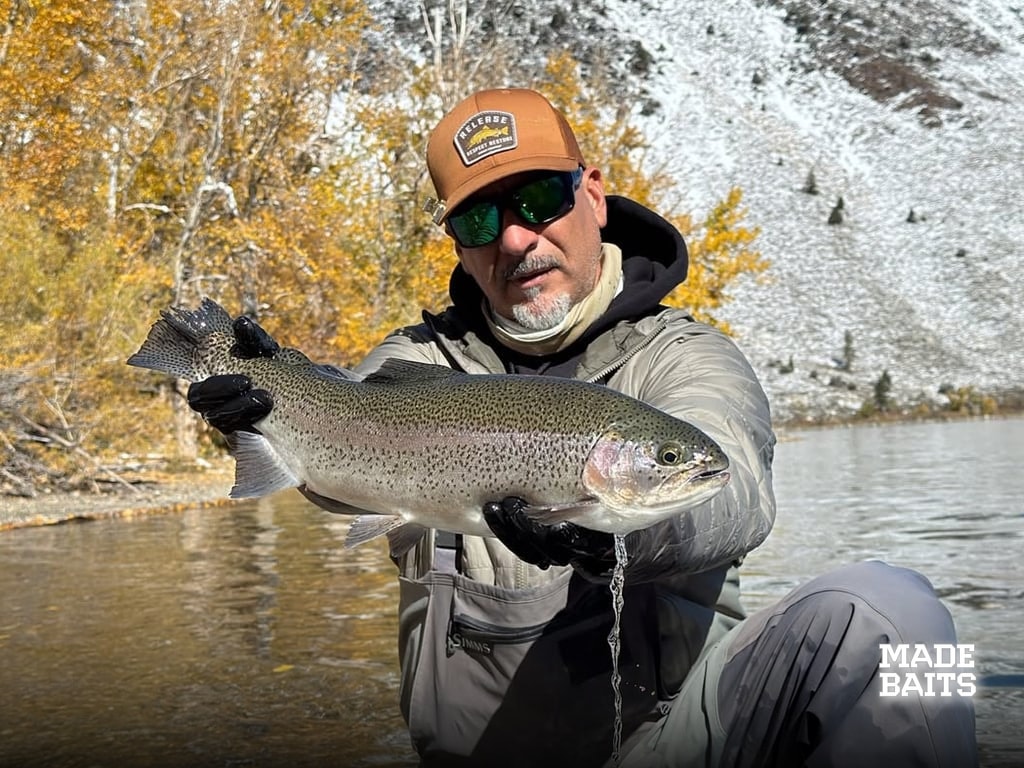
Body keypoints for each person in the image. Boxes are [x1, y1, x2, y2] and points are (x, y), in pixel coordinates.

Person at [187, 88, 977, 767]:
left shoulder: (687, 360)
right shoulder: (412, 361)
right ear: (457, 245)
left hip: (670, 744)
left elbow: (733, 488)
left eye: (537, 200)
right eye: (480, 219)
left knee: (893, 615)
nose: (516, 238)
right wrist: (269, 404)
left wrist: (617, 535)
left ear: (592, 194)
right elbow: (346, 466)